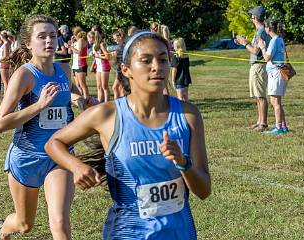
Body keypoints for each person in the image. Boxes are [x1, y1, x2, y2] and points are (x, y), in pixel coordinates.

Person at [45, 31, 211, 239]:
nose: (156, 67)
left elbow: (204, 191)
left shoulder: (188, 114)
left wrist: (182, 162)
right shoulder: (107, 114)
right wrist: (76, 166)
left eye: (162, 59)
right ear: (126, 69)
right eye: (146, 60)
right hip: (128, 232)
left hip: (179, 232)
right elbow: (54, 142)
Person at [0, 15, 85, 240]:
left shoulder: (64, 70)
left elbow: (70, 91)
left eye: (52, 36)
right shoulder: (24, 75)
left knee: (60, 223)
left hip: (59, 154)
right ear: (28, 43)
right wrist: (39, 105)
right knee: (25, 225)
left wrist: (79, 100)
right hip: (27, 157)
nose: (48, 41)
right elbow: (1, 123)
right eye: (41, 36)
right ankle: (2, 229)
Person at [236, 6, 271, 132]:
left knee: (261, 95)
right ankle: (259, 121)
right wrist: (243, 42)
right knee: (257, 95)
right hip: (256, 66)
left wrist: (244, 42)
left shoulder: (260, 31)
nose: (251, 18)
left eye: (251, 16)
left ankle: (263, 123)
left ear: (255, 17)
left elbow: (256, 51)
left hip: (259, 66)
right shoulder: (260, 31)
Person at [258, 20, 289, 135]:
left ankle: (278, 128)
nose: (265, 29)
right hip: (279, 72)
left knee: (275, 102)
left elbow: (267, 57)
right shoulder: (280, 39)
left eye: (265, 27)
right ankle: (283, 126)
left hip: (275, 73)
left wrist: (262, 47)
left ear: (269, 29)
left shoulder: (274, 41)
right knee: (278, 102)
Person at [70, 27, 89, 99]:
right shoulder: (76, 42)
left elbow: (80, 53)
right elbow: (70, 52)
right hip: (75, 65)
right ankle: (81, 99)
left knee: (82, 84)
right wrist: (71, 44)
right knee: (77, 85)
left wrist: (71, 47)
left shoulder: (81, 40)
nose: (73, 36)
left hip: (81, 64)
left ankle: (86, 99)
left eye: (74, 34)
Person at [92, 28, 111, 102]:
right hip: (98, 67)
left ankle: (107, 103)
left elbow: (107, 56)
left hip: (104, 67)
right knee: (99, 87)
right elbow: (96, 56)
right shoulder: (94, 45)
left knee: (104, 87)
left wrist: (98, 56)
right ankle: (99, 103)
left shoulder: (102, 44)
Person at [171, 38, 192, 102]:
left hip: (179, 80)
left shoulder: (176, 56)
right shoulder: (186, 56)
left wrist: (173, 80)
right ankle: (187, 110)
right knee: (185, 97)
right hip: (186, 79)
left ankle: (182, 111)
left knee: (180, 98)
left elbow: (174, 70)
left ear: (176, 46)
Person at [111, 29, 126, 99]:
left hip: (123, 70)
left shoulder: (124, 46)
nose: (115, 40)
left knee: (117, 88)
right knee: (119, 88)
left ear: (120, 37)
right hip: (119, 70)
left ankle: (118, 105)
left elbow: (124, 59)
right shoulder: (121, 46)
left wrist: (116, 56)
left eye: (115, 38)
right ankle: (118, 105)